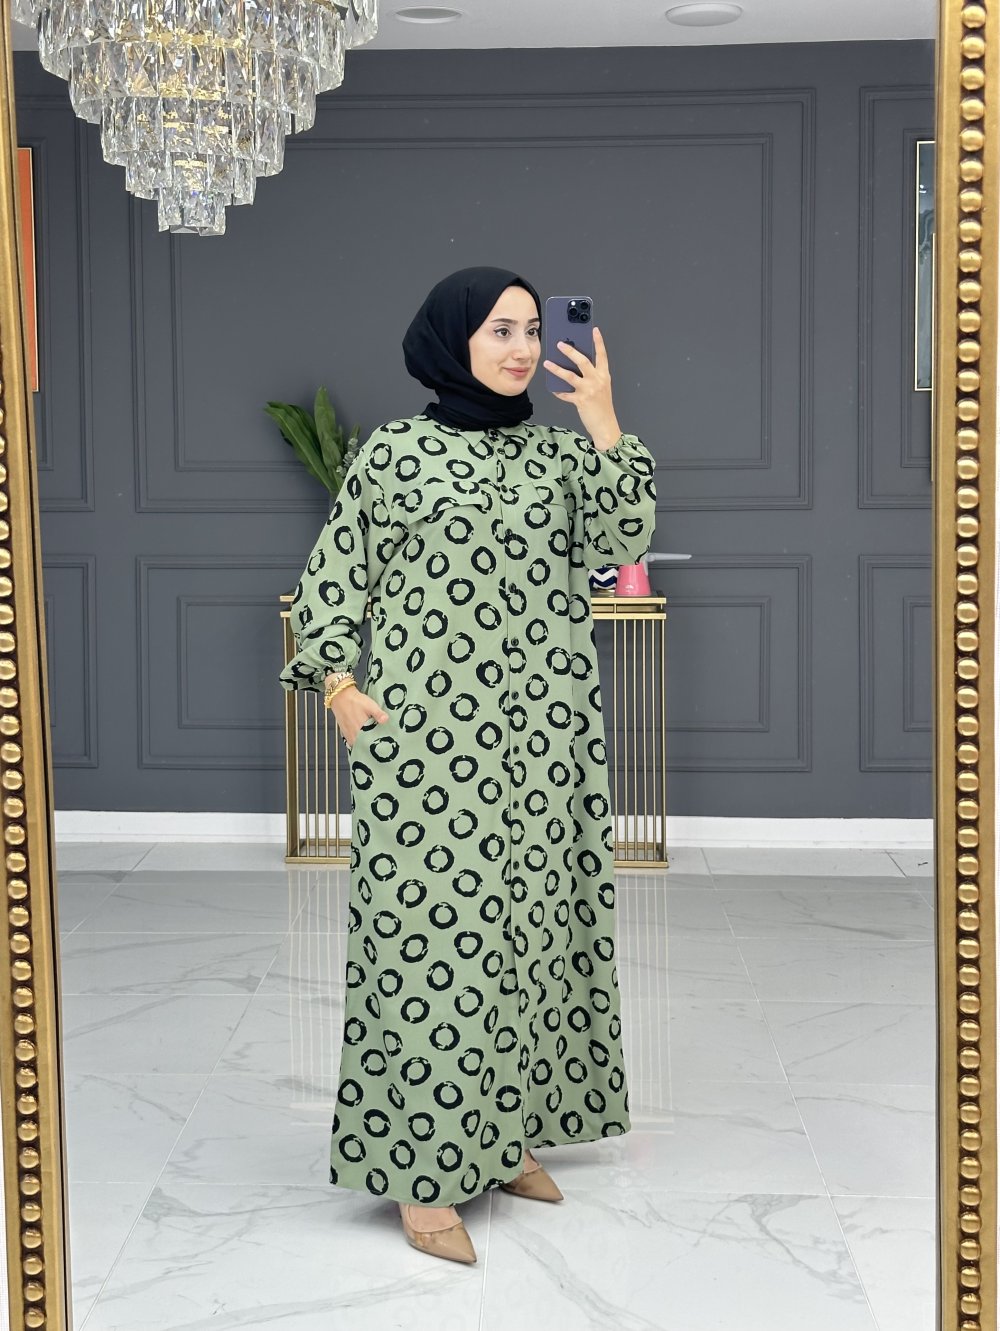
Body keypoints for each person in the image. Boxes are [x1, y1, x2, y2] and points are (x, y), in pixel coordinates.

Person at [279, 266, 657, 1264]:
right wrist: (336, 684)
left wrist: (603, 418)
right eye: (500, 329)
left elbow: (626, 535)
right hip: (429, 751)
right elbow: (333, 575)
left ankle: (501, 1137)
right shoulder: (394, 454)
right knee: (429, 951)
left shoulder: (558, 457)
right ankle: (421, 1172)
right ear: (453, 339)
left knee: (532, 938)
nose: (522, 347)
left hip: (546, 747)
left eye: (532, 329)